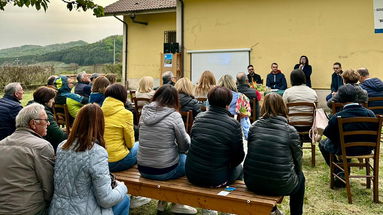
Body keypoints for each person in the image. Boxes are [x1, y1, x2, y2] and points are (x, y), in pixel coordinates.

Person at [49, 104, 130, 215]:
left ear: (77, 121)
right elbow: (106, 200)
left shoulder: (62, 146)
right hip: (83, 210)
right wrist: (122, 187)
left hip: (57, 210)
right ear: (100, 124)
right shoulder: (97, 152)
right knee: (124, 199)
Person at [138, 84, 197, 214]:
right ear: (174, 99)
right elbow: (184, 147)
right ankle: (179, 203)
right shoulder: (174, 116)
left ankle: (162, 202)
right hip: (163, 171)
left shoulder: (144, 112)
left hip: (143, 168)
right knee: (187, 160)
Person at [244, 93, 304, 215]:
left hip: (252, 181)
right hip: (280, 184)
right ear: (283, 107)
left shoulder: (254, 127)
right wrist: (296, 172)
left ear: (263, 107)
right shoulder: (290, 130)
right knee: (301, 179)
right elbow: (298, 159)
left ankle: (272, 209)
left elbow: (252, 152)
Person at [101, 84, 150, 209]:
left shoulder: (98, 111)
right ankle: (136, 195)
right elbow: (130, 143)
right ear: (123, 97)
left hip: (101, 161)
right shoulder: (125, 114)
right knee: (139, 145)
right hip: (117, 161)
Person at [0, 103, 55, 215]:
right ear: (33, 123)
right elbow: (49, 188)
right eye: (45, 120)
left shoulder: (2, 143)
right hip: (29, 210)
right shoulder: (42, 146)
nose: (48, 123)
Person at [186, 86, 244, 187]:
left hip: (192, 175)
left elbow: (193, 143)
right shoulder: (233, 124)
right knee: (239, 168)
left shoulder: (198, 118)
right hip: (216, 179)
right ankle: (232, 198)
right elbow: (238, 157)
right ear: (228, 103)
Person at [319, 84, 376, 187]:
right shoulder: (370, 114)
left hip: (345, 149)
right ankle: (342, 172)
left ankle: (340, 172)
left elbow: (328, 134)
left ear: (340, 99)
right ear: (356, 97)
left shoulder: (337, 116)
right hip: (366, 149)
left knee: (323, 143)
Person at [30, 86, 67, 151]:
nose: (54, 101)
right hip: (46, 146)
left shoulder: (31, 107)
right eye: (52, 98)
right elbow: (60, 136)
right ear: (46, 99)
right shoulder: (43, 113)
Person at [218, 75, 251, 139]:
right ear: (233, 83)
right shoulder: (241, 97)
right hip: (235, 131)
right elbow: (245, 117)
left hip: (217, 128)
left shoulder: (213, 96)